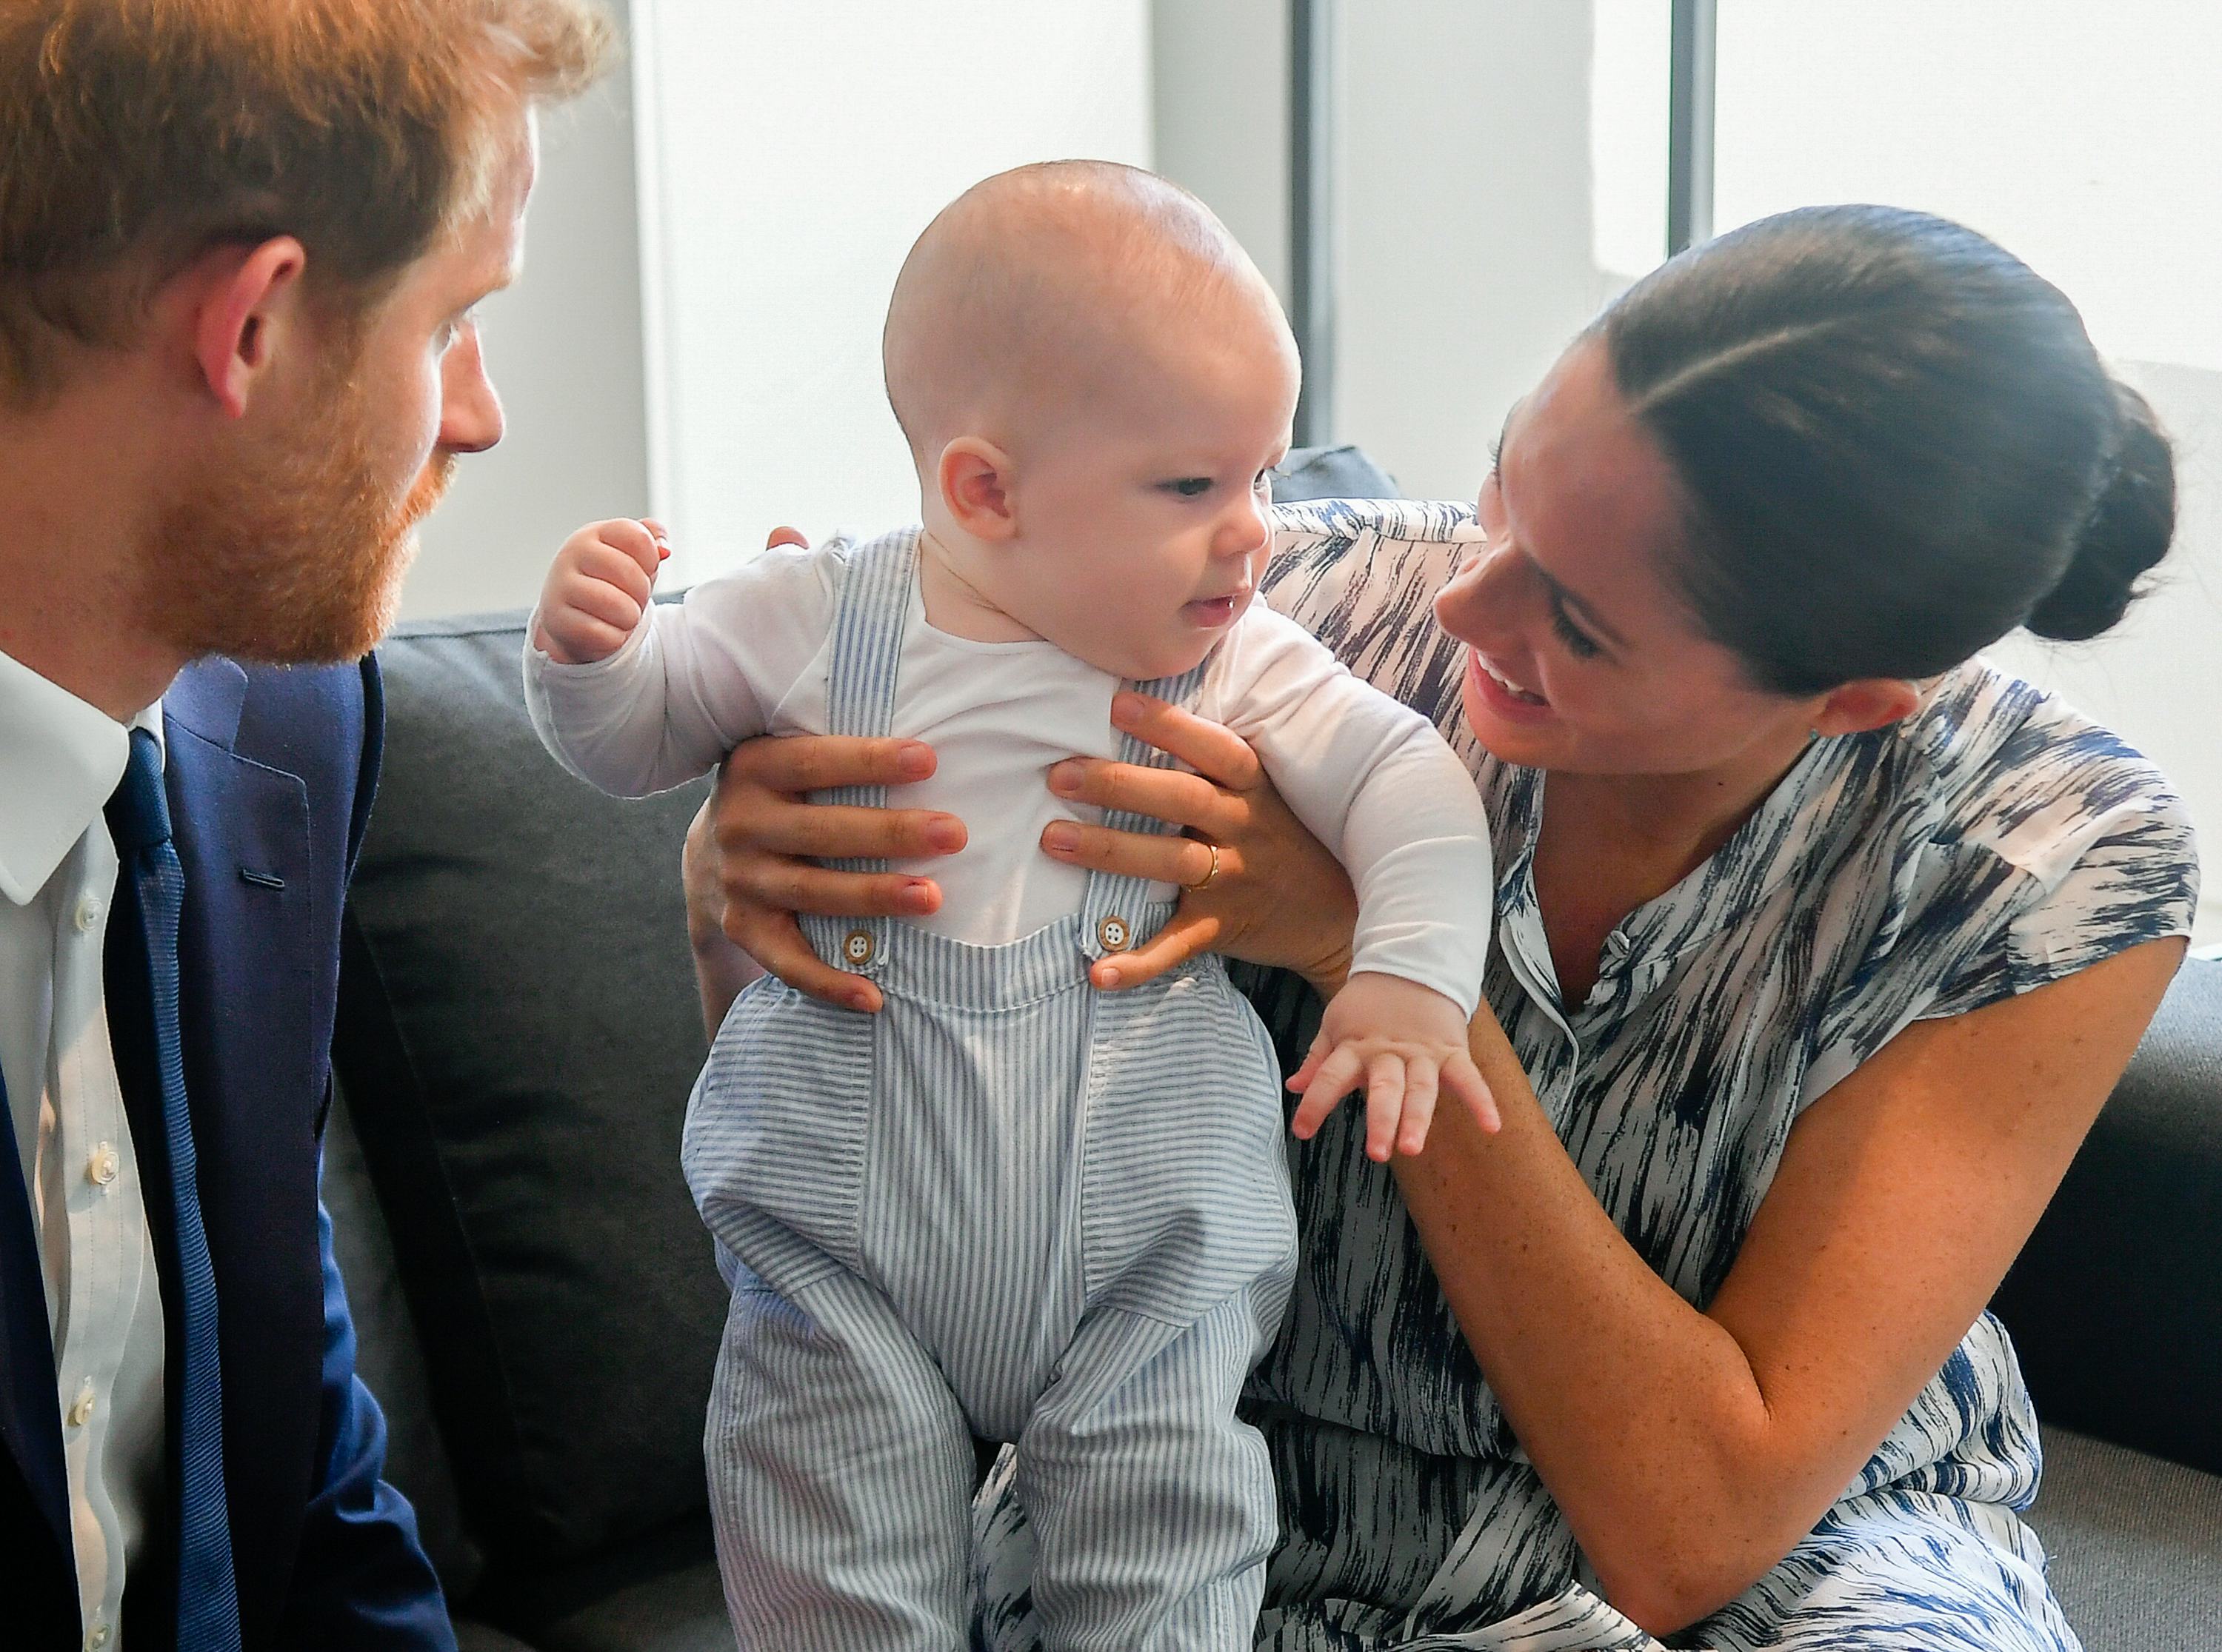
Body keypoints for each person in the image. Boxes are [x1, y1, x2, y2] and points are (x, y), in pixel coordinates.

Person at [686, 204, 2197, 1651]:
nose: (1466, 606)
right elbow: (879, 1146)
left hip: (1801, 1566)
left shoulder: (2045, 856)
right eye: (1504, 488)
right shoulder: (1262, 613)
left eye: (1581, 623)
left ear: (1856, 697)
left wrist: (1368, 948)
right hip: (1224, 1504)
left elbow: (1691, 1529)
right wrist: (748, 892)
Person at [523, 161, 1496, 1648]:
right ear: (987, 489)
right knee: (823, 1556)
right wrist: (590, 662)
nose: (1253, 534)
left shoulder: (1234, 654)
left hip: (1146, 1241)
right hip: (842, 1245)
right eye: (1191, 487)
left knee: (1167, 1544)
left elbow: (1408, 781)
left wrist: (1411, 977)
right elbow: (633, 740)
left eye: (1264, 475)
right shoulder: (811, 614)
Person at [0, 3, 610, 1647]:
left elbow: (305, 1473)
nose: (474, 418)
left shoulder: (283, 725)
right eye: (452, 323)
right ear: (254, 326)